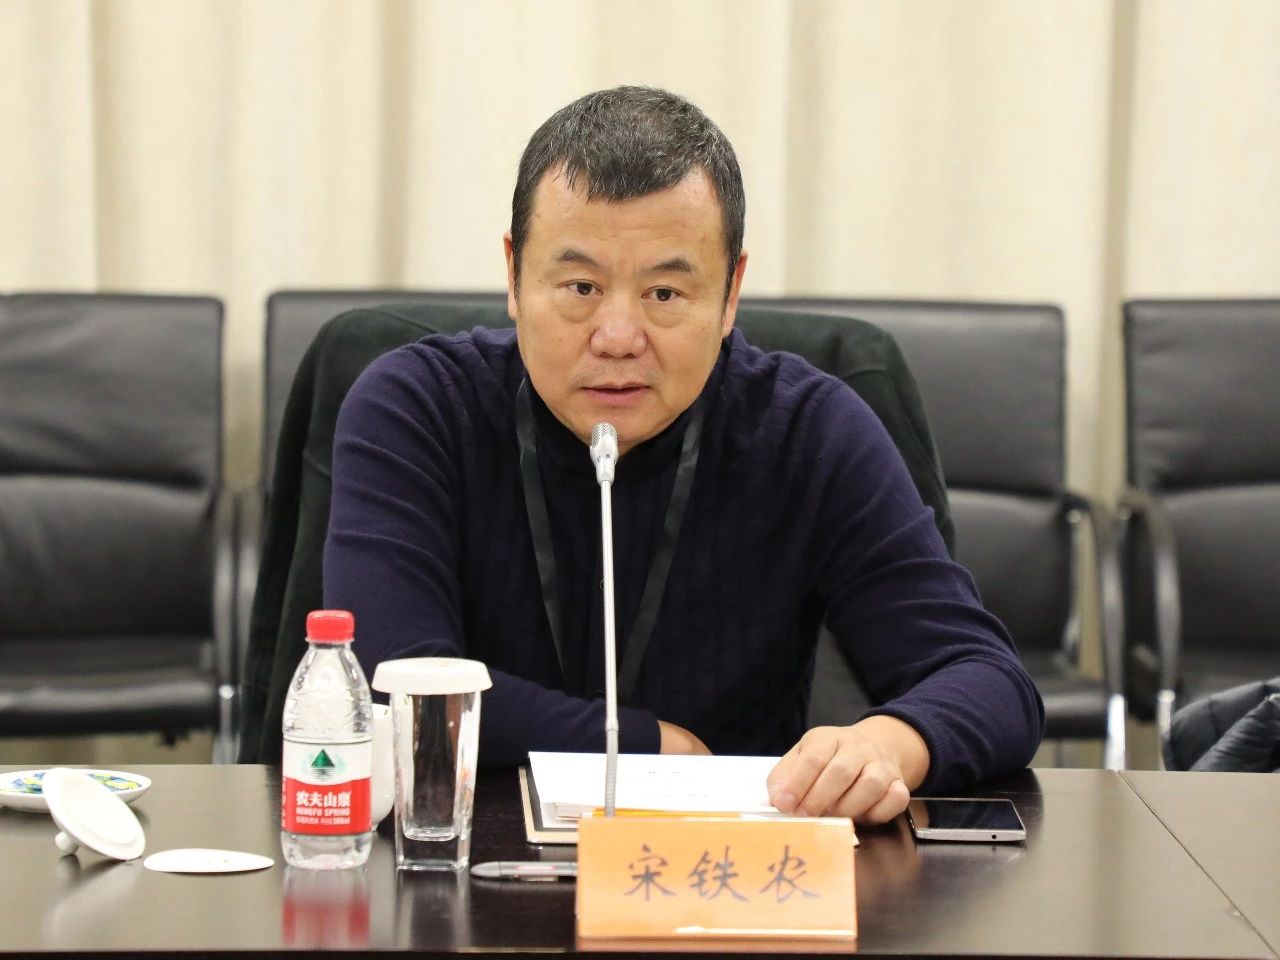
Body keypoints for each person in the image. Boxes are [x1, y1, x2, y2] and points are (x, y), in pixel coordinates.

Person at [324, 86, 1044, 824]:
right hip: (464, 863)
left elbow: (990, 681)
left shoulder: (808, 430)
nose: (617, 336)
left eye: (665, 294)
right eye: (580, 286)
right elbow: (391, 680)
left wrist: (889, 745)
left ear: (731, 293)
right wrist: (647, 744)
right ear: (513, 276)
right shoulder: (418, 407)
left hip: (729, 872)